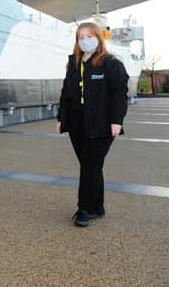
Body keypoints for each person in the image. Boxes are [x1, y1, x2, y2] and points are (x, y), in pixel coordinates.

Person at [56, 22, 128, 227]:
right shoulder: (74, 63)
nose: (85, 40)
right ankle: (98, 206)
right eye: (81, 37)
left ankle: (84, 209)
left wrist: (117, 121)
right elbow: (65, 94)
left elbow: (119, 94)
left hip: (102, 123)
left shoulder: (111, 63)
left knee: (90, 164)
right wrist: (61, 118)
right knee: (91, 165)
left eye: (89, 36)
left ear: (98, 37)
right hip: (77, 121)